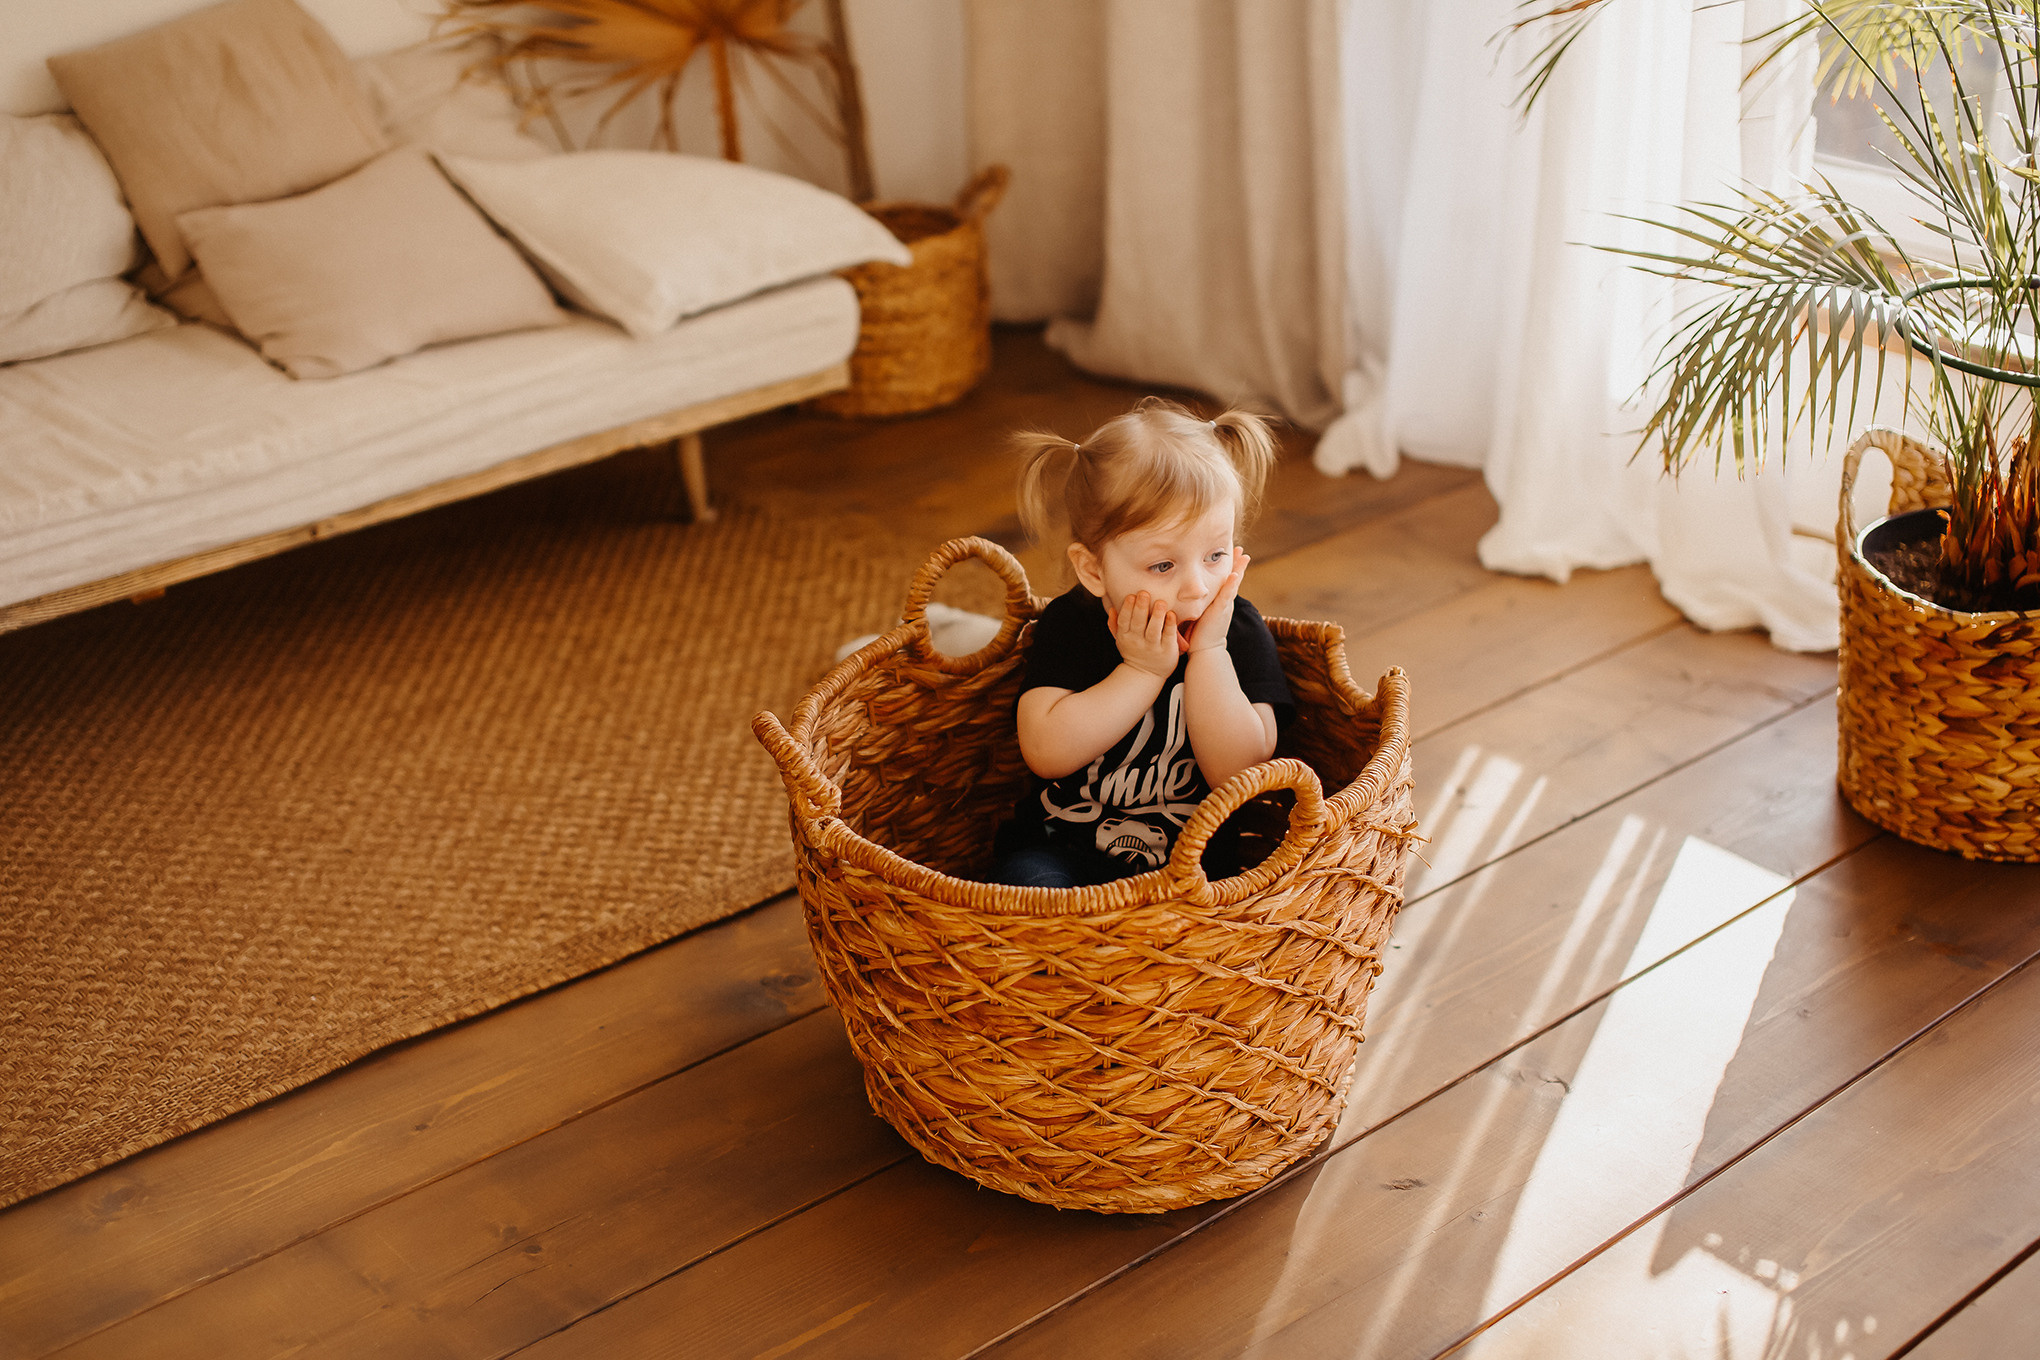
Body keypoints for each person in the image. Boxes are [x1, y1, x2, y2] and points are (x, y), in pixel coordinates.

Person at [992, 396, 1294, 889]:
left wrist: (1209, 654)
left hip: (1197, 870)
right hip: (1063, 851)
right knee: (1023, 891)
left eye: (1215, 555)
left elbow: (1240, 775)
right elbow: (1045, 751)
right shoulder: (1072, 624)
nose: (1197, 587)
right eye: (1163, 566)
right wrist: (1142, 671)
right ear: (1093, 569)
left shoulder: (1234, 629)